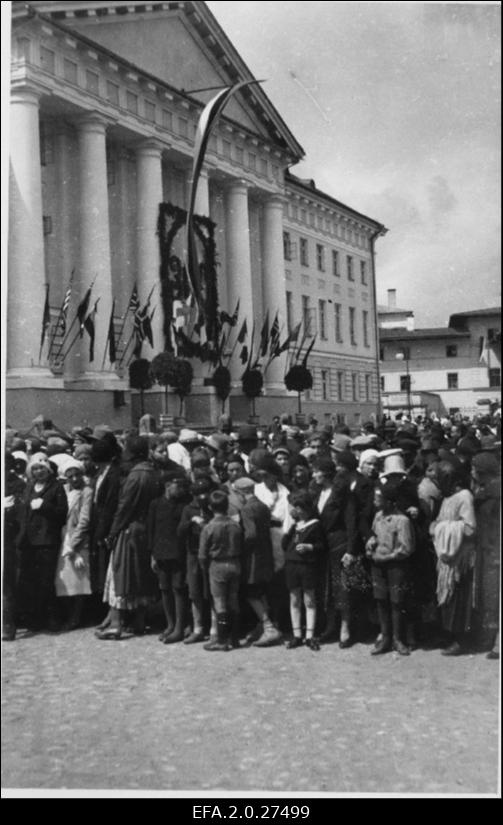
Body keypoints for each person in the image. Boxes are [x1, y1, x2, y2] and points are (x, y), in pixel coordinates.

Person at [97, 437, 161, 640]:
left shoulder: (135, 476)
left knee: (119, 575)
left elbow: (124, 508)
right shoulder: (154, 472)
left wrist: (112, 532)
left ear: (131, 453)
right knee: (140, 577)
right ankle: (140, 621)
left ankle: (116, 624)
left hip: (129, 529)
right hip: (146, 529)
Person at [17, 453, 68, 632]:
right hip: (30, 540)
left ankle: (53, 619)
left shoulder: (56, 488)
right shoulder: (29, 487)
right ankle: (35, 619)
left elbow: (62, 513)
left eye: (42, 468)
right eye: (36, 469)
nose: (39, 472)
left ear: (48, 469)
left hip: (47, 540)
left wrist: (45, 507)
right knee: (32, 581)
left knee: (47, 580)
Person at [430, 461, 477, 656]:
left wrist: (441, 528)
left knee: (459, 599)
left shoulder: (464, 497)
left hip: (460, 558)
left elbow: (470, 528)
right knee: (448, 598)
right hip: (447, 557)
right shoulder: (447, 497)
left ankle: (461, 640)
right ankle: (449, 634)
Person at [366, 480, 415, 656]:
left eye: (378, 498)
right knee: (381, 600)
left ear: (388, 501)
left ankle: (397, 638)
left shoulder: (402, 521)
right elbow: (373, 535)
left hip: (396, 567)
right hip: (378, 566)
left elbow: (406, 548)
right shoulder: (378, 516)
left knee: (396, 601)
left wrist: (386, 558)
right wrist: (370, 544)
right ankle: (385, 638)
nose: (374, 501)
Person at [234, 476, 281, 647]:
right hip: (265, 555)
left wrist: (241, 548)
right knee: (261, 592)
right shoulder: (262, 506)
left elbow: (251, 534)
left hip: (252, 558)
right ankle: (263, 626)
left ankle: (268, 627)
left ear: (241, 493)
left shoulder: (246, 509)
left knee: (252, 593)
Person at [148, 468, 192, 644]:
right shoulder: (155, 504)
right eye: (178, 486)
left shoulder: (184, 504)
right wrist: (152, 554)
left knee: (179, 589)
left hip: (178, 554)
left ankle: (180, 628)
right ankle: (170, 624)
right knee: (165, 589)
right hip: (161, 554)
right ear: (167, 486)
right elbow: (151, 530)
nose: (181, 489)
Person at [199, 490, 243, 652]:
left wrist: (205, 568)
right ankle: (235, 637)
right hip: (235, 563)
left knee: (220, 603)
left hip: (217, 565)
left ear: (210, 507)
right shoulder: (235, 525)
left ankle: (222, 640)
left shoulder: (209, 527)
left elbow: (202, 554)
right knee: (233, 600)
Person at [283, 490, 326, 651]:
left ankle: (309, 635)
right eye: (295, 507)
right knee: (294, 599)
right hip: (292, 565)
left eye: (300, 508)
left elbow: (322, 546)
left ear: (307, 508)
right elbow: (284, 544)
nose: (297, 510)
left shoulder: (315, 525)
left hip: (307, 565)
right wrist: (291, 527)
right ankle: (296, 635)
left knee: (309, 600)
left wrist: (310, 547)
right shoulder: (295, 526)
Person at [55, 459, 93, 631]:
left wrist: (74, 546)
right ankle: (67, 613)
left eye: (78, 475)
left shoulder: (86, 492)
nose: (75, 479)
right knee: (63, 579)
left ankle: (76, 617)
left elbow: (84, 520)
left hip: (78, 539)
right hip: (63, 536)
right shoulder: (64, 491)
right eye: (71, 476)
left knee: (79, 579)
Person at [178, 477, 216, 644]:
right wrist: (191, 522)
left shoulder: (213, 507)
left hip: (211, 556)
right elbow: (179, 532)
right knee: (195, 593)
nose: (202, 497)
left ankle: (215, 629)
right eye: (198, 494)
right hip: (193, 555)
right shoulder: (188, 509)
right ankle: (198, 628)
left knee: (213, 593)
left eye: (205, 493)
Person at [471, 451, 500, 659]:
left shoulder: (495, 494)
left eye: (473, 468)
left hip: (495, 552)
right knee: (490, 596)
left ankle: (496, 641)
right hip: (487, 550)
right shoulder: (485, 490)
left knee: (495, 597)